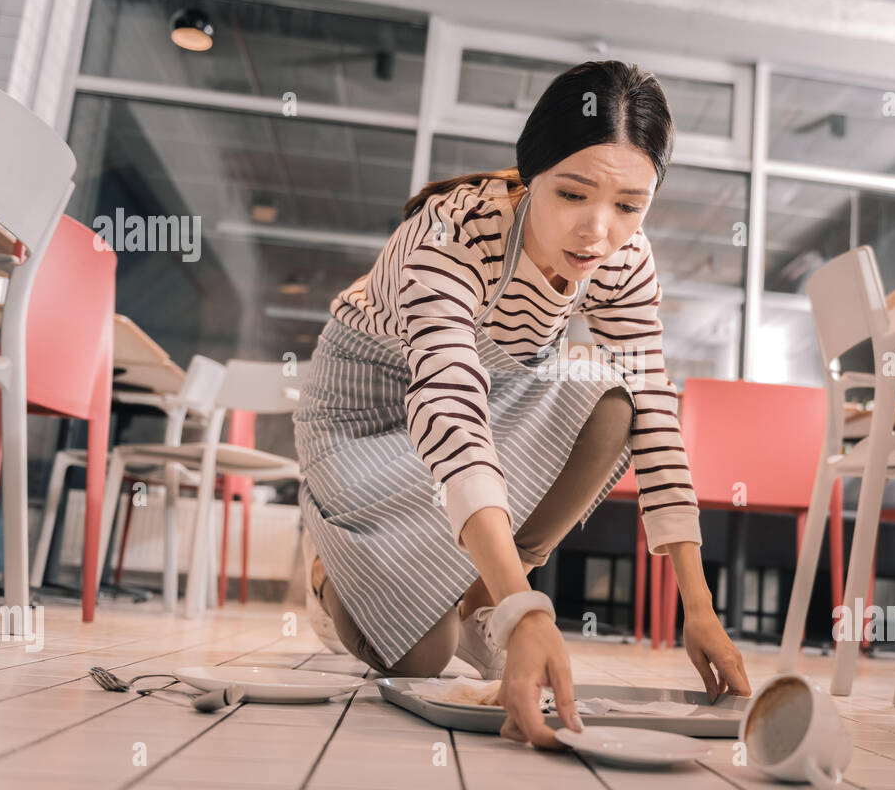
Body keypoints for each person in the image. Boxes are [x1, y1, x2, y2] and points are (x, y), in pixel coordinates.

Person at [294, 60, 750, 749]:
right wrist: (530, 613)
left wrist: (700, 606)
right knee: (410, 661)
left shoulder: (623, 260)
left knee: (617, 399)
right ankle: (333, 563)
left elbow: (655, 405)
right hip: (365, 413)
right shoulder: (451, 235)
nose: (598, 231)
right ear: (531, 172)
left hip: (486, 389)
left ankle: (483, 599)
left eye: (629, 205)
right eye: (573, 193)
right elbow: (448, 406)